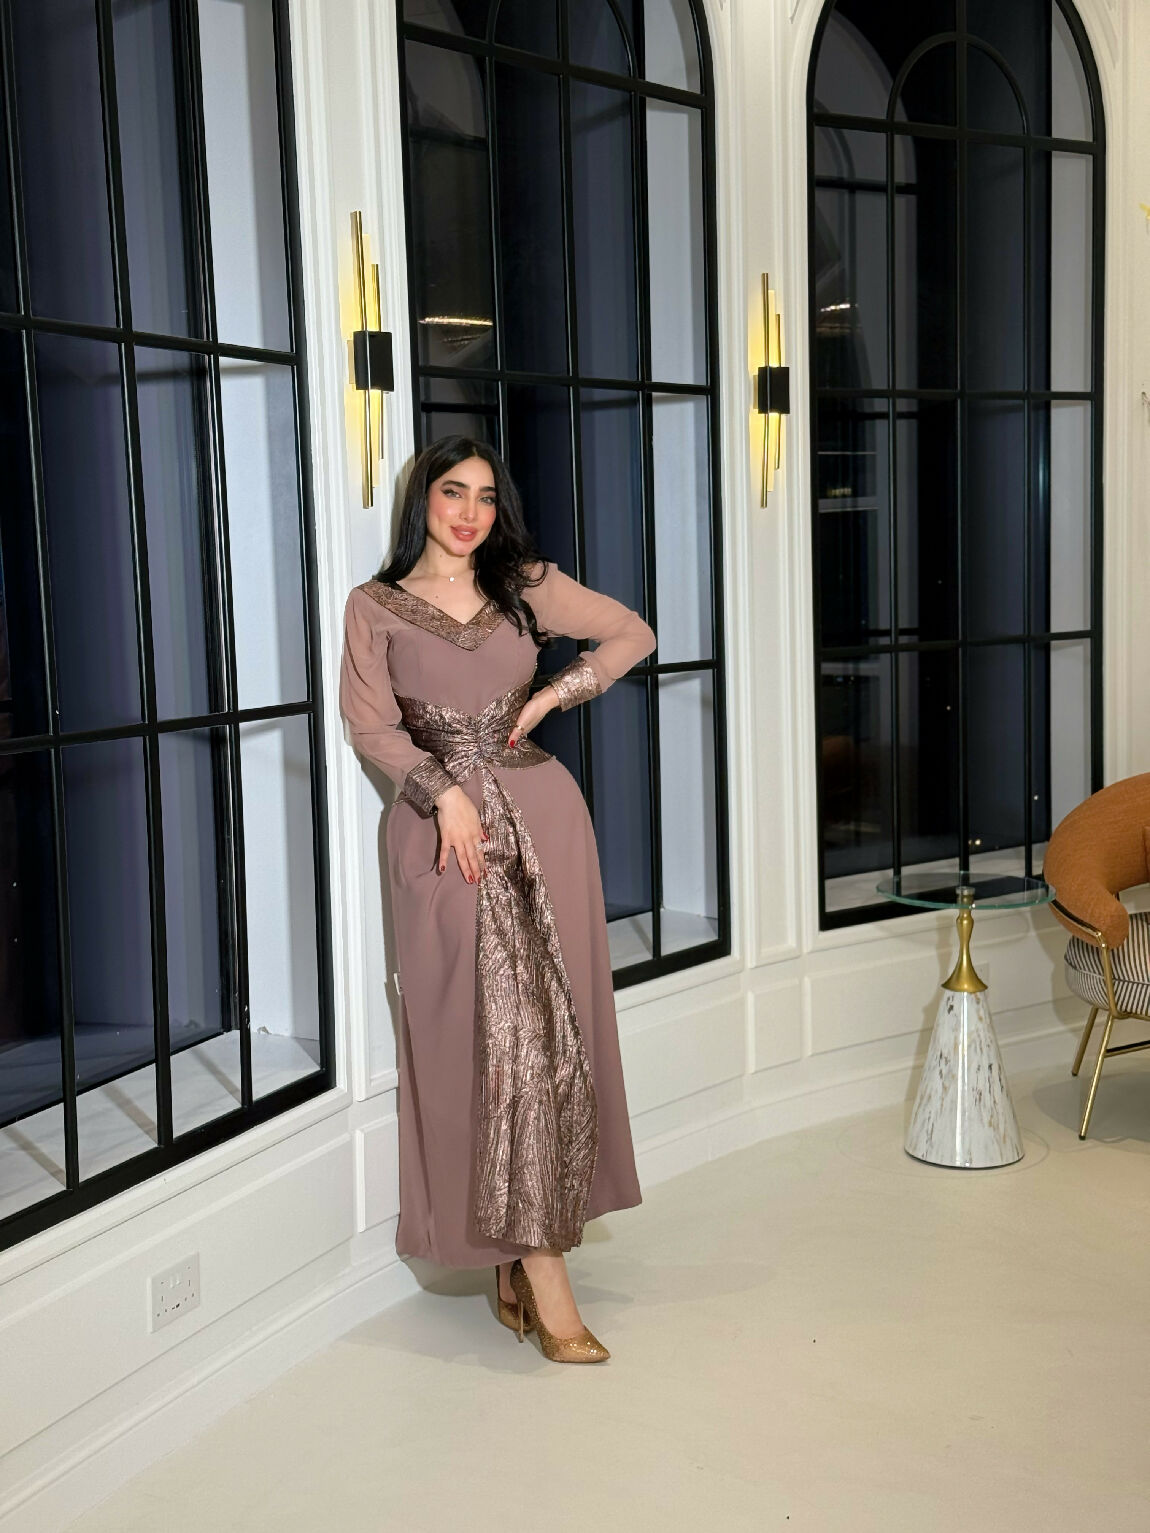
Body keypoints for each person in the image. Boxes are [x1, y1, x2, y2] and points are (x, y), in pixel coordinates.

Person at [339, 436, 655, 1363]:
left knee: (552, 1037)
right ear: (422, 500)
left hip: (544, 819)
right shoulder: (375, 605)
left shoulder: (524, 584)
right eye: (452, 492)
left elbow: (631, 633)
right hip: (447, 844)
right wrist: (443, 793)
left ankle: (536, 1264)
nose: (469, 512)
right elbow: (370, 725)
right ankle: (520, 1256)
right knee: (477, 1042)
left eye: (484, 495)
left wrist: (553, 696)